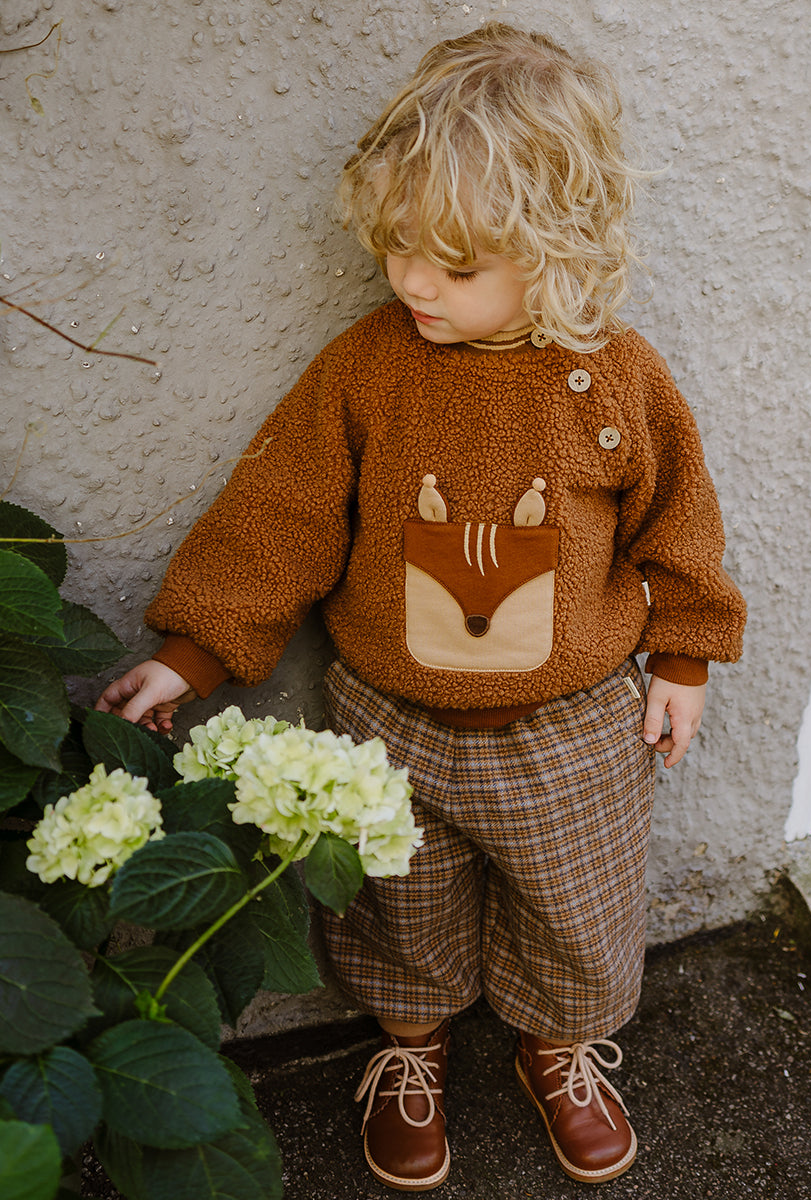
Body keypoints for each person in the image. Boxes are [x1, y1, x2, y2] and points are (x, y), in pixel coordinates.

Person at [97, 22, 745, 1190]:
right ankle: (412, 1048)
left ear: (556, 250)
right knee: (400, 907)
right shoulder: (368, 369)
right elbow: (283, 514)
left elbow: (678, 523)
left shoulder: (616, 380)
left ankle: (559, 1048)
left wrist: (686, 658)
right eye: (399, 245)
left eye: (454, 264)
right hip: (392, 725)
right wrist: (194, 653)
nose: (411, 282)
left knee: (579, 910)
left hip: (573, 728)